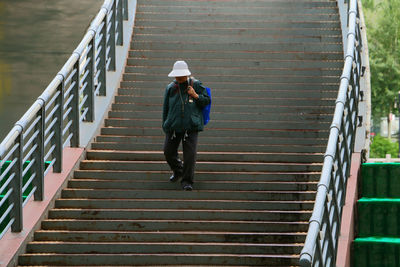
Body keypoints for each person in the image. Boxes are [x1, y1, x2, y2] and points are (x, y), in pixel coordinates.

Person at [162, 61, 211, 191]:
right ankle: (178, 170)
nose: (178, 78)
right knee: (168, 151)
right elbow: (165, 108)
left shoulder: (196, 84)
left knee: (189, 155)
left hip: (191, 126)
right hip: (173, 125)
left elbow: (206, 100)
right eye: (177, 76)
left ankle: (187, 181)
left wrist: (195, 95)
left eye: (181, 76)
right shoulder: (171, 88)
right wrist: (165, 124)